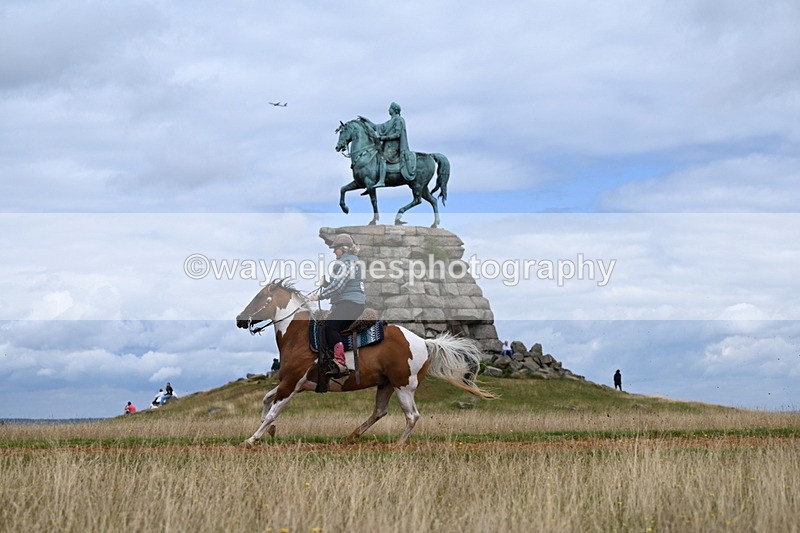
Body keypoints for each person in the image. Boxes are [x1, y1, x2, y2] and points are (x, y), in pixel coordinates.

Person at [308, 233, 366, 376]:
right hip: (349, 302)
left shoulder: (348, 263)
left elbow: (338, 287)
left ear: (344, 248)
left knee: (330, 326)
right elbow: (339, 286)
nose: (334, 251)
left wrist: (319, 296)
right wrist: (326, 283)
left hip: (350, 303)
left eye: (336, 248)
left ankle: (340, 363)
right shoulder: (348, 262)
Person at [359, 102, 416, 190]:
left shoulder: (399, 120)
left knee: (382, 159)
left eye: (390, 108)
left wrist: (383, 137)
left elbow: (397, 134)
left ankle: (381, 181)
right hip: (387, 146)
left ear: (394, 110)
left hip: (394, 148)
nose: (388, 110)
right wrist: (367, 121)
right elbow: (376, 127)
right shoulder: (390, 122)